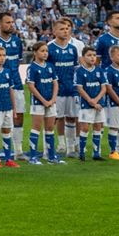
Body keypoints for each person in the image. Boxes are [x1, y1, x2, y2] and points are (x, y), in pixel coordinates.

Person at [46, 19, 81, 161]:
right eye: (61, 29)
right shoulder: (49, 48)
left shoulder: (72, 49)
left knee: (72, 117)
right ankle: (61, 143)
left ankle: (71, 146)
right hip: (57, 89)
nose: (65, 31)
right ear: (54, 31)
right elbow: (47, 69)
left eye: (67, 28)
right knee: (58, 117)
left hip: (71, 88)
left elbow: (75, 68)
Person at [0, 12, 28, 143]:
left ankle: (18, 151)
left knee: (19, 115)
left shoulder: (17, 41)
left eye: (12, 22)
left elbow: (17, 62)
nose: (11, 25)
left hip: (16, 84)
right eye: (8, 22)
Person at [25, 42, 59, 165]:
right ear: (35, 52)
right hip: (38, 103)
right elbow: (31, 86)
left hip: (51, 102)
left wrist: (53, 99)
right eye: (42, 51)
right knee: (36, 128)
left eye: (46, 51)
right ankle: (33, 157)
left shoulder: (50, 66)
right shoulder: (32, 68)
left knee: (50, 128)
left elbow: (55, 83)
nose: (45, 53)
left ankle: (51, 156)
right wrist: (43, 100)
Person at [74, 48, 107, 161]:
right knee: (85, 128)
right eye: (89, 55)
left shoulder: (99, 70)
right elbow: (80, 88)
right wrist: (90, 101)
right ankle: (81, 153)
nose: (92, 57)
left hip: (99, 104)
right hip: (86, 104)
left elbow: (104, 87)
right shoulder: (79, 71)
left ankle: (96, 153)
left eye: (94, 55)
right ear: (83, 57)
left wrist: (96, 100)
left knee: (98, 127)